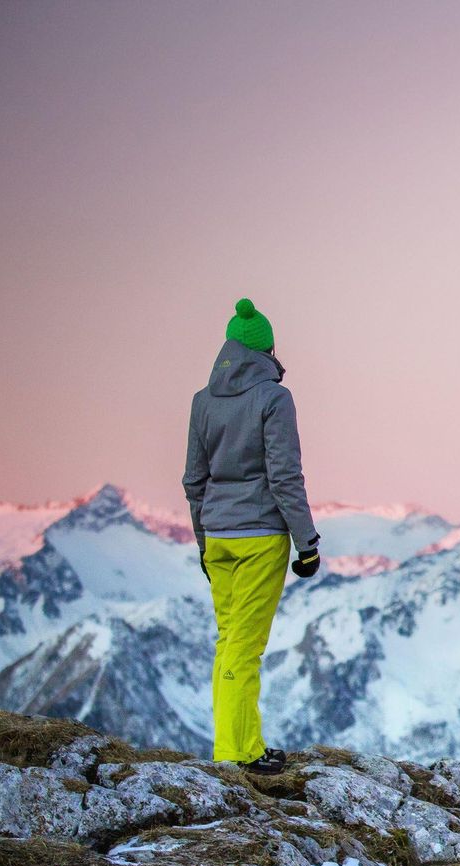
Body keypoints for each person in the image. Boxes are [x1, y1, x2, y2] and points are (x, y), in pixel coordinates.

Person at [182, 298, 321, 775]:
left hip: (218, 534)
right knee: (246, 646)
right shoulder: (274, 399)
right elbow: (284, 475)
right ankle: (234, 755)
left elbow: (193, 480)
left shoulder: (202, 402)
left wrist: (203, 540)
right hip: (261, 535)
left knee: (228, 641)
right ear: (266, 350)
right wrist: (307, 542)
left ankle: (239, 743)